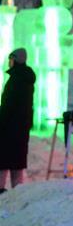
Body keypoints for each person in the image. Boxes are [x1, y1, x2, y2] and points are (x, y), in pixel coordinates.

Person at [0, 48, 36, 192]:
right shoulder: (26, 79)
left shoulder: (15, 80)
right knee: (17, 164)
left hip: (9, 128)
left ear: (15, 60)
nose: (9, 62)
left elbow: (8, 106)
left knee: (2, 162)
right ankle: (17, 194)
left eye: (11, 59)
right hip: (21, 129)